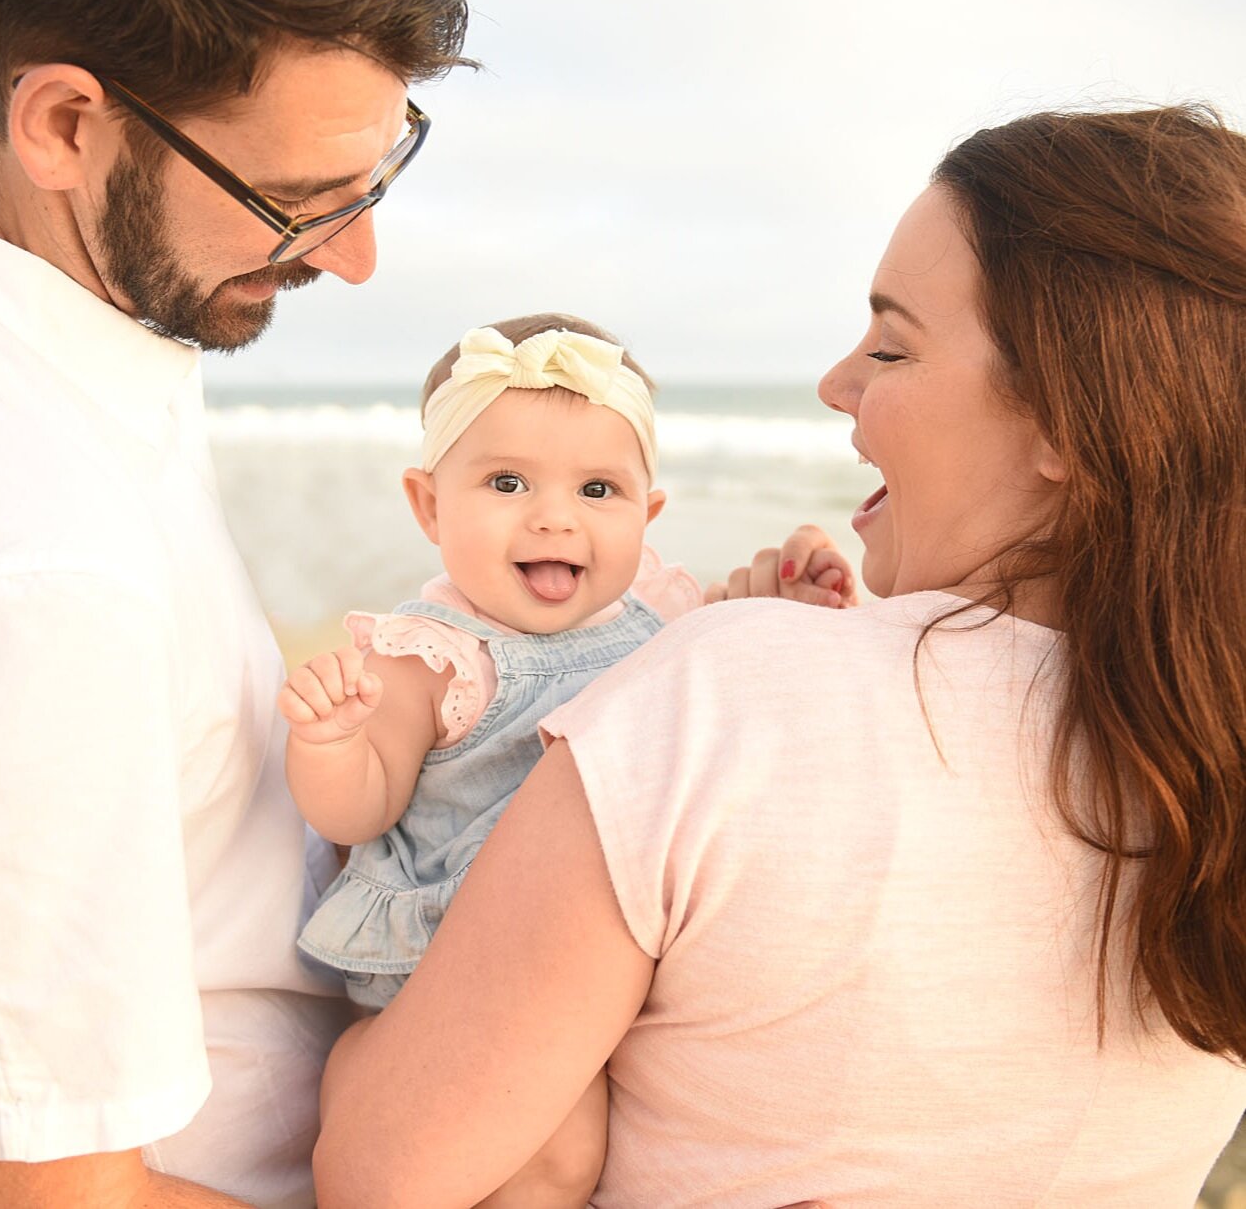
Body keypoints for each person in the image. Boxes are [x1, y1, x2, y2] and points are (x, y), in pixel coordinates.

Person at [311, 105, 1246, 1207]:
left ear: (1067, 426)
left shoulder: (727, 693)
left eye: (891, 346)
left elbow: (385, 1173)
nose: (835, 381)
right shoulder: (1209, 765)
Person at [0, 0, 470, 1205]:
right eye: (298, 198)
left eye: (379, 169)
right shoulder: (28, 564)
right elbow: (40, 1198)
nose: (357, 258)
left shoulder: (60, 326)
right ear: (63, 125)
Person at [279, 314, 856, 1206]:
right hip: (452, 964)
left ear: (647, 513)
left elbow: (723, 659)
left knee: (602, 1134)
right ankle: (363, 1076)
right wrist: (331, 741)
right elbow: (357, 808)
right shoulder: (431, 655)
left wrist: (776, 597)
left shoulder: (656, 612)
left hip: (593, 949)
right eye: (506, 481)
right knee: (545, 1141)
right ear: (429, 504)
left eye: (597, 489)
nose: (554, 515)